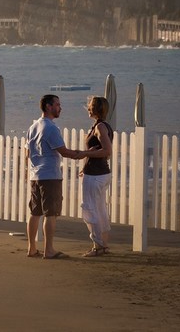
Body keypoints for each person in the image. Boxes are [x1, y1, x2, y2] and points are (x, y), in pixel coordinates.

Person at [26, 94, 84, 259]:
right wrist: (85, 154)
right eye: (57, 105)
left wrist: (29, 170)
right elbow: (63, 151)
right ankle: (49, 249)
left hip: (35, 174)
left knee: (35, 213)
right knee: (51, 214)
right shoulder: (51, 128)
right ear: (48, 107)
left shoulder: (33, 126)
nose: (60, 107)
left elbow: (27, 152)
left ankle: (31, 248)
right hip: (49, 175)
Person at [79, 96, 114, 257]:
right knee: (99, 209)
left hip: (96, 175)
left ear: (97, 109)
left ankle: (97, 246)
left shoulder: (100, 127)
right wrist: (85, 164)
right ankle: (103, 245)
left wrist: (85, 153)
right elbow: (96, 150)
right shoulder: (101, 126)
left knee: (89, 209)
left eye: (91, 106)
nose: (88, 108)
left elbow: (107, 151)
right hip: (98, 173)